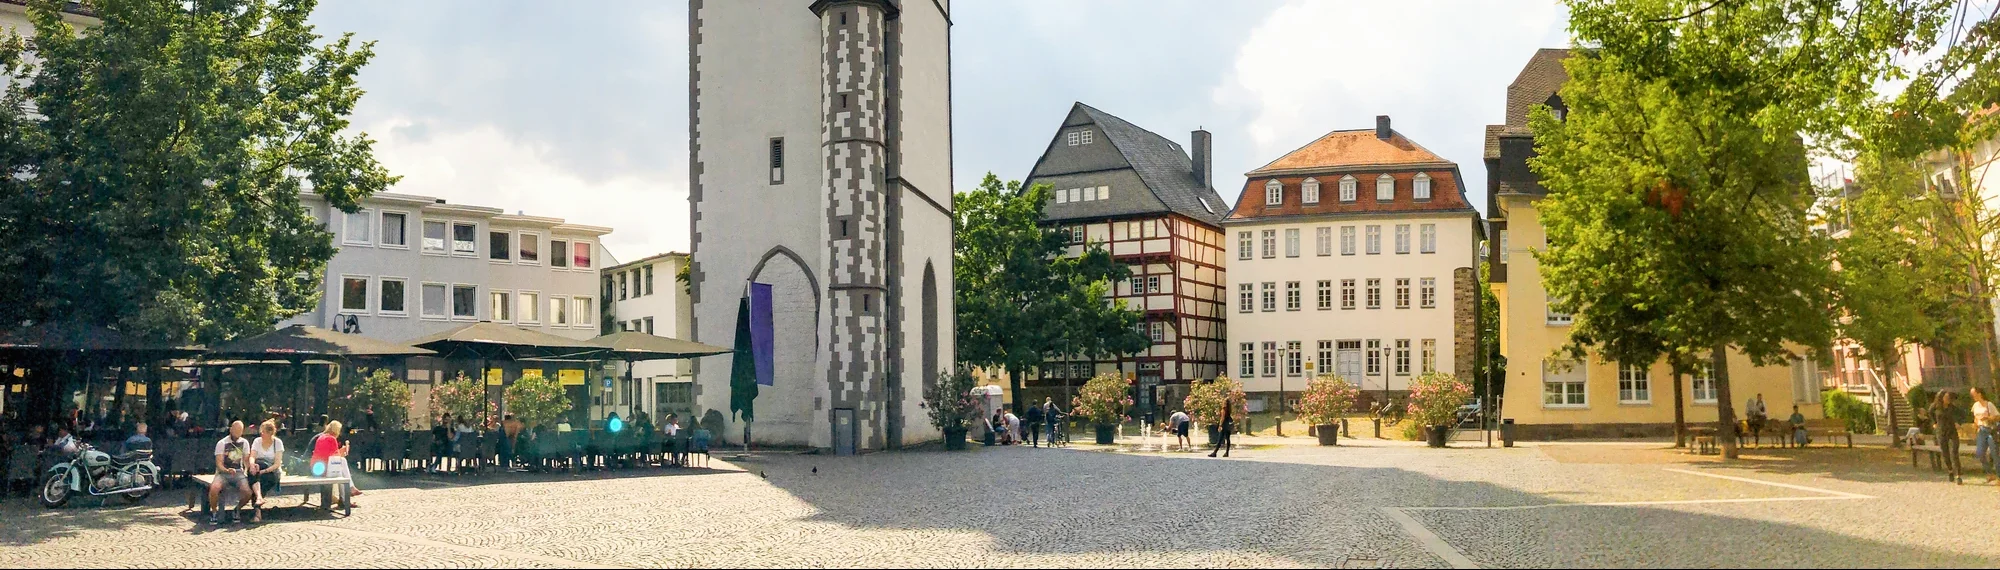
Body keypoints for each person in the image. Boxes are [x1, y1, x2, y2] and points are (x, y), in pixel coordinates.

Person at [207, 421, 253, 525]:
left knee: (248, 492)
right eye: (235, 430)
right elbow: (219, 463)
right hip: (223, 472)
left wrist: (250, 468)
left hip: (238, 472)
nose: (237, 433)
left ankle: (237, 509)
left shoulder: (244, 443)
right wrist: (227, 470)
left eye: (240, 431)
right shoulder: (222, 443)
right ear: (231, 429)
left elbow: (246, 460)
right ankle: (214, 512)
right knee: (214, 489)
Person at [312, 420, 364, 503]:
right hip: (323, 468)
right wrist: (343, 451)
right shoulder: (332, 439)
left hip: (316, 468)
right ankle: (346, 496)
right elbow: (335, 458)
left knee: (341, 469)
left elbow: (328, 456)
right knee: (342, 463)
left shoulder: (322, 437)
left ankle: (347, 494)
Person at [247, 420, 284, 523]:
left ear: (270, 433)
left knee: (259, 479)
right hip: (257, 470)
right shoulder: (257, 441)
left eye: (264, 432)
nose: (261, 434)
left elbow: (277, 464)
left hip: (271, 471)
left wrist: (264, 471)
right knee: (254, 471)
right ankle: (258, 502)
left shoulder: (278, 443)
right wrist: (252, 465)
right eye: (261, 431)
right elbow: (252, 456)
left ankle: (257, 511)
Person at [1932, 391, 1965, 484]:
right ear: (1941, 398)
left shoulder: (1952, 407)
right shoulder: (1935, 407)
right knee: (1945, 453)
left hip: (1952, 431)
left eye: (1949, 398)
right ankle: (1950, 470)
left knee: (1954, 452)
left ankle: (1958, 475)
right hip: (1941, 432)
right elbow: (1930, 414)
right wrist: (1934, 423)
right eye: (1946, 397)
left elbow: (1962, 414)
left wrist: (1959, 422)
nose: (1948, 399)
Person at [1971, 388, 1999, 484]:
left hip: (1990, 430)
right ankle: (1990, 473)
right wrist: (1975, 424)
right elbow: (1975, 417)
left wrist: (1988, 417)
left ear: (1979, 394)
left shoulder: (1989, 404)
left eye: (1974, 394)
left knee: (1994, 454)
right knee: (1980, 453)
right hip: (1981, 430)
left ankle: (1999, 477)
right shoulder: (1975, 406)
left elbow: (1997, 416)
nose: (1973, 396)